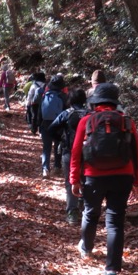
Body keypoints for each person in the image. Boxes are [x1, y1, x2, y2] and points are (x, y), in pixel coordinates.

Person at [69, 83, 138, 275]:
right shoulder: (127, 121)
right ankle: (111, 273)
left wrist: (74, 179)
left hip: (93, 176)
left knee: (90, 213)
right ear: (115, 102)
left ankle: (86, 248)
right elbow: (136, 152)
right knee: (115, 222)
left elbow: (76, 152)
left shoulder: (86, 121)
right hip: (123, 175)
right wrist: (136, 180)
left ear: (96, 102)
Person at [49, 88, 89, 224]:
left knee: (70, 181)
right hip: (88, 152)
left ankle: (72, 212)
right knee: (86, 180)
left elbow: (51, 129)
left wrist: (61, 139)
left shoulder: (66, 114)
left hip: (69, 151)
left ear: (70, 100)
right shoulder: (90, 114)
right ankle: (84, 207)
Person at [39, 73, 67, 178]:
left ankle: (45, 169)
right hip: (58, 123)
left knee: (46, 146)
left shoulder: (45, 96)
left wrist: (38, 125)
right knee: (57, 145)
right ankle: (57, 167)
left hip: (45, 123)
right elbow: (65, 111)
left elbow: (40, 112)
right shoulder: (63, 96)